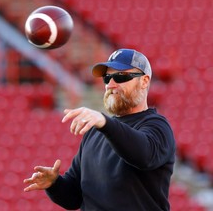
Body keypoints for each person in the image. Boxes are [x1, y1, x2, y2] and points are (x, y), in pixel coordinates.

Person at [23, 48, 176, 211]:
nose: (110, 84)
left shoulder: (157, 126)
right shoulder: (95, 132)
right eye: (107, 77)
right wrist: (54, 184)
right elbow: (74, 198)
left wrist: (105, 123)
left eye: (120, 77)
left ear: (144, 81)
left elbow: (143, 155)